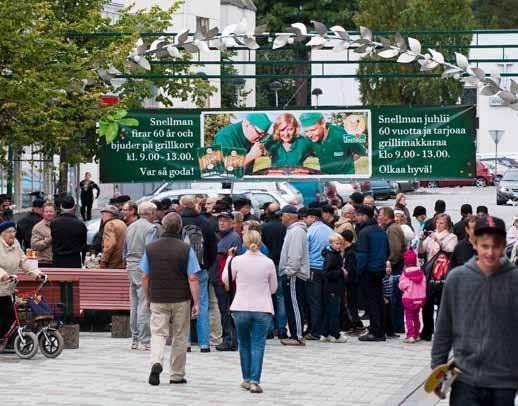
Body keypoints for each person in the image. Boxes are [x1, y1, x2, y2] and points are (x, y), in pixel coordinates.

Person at [431, 216, 518, 405]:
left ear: (505, 246)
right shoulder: (458, 279)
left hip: (504, 381)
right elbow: (444, 328)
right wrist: (438, 369)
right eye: (485, 246)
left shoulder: (514, 280)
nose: (490, 252)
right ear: (474, 243)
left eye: (496, 246)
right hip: (465, 380)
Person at [140, 213, 200, 386]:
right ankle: (176, 374)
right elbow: (193, 277)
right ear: (180, 228)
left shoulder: (151, 248)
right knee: (180, 336)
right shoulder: (186, 249)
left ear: (163, 227)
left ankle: (156, 361)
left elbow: (144, 275)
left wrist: (148, 296)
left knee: (158, 333)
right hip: (181, 298)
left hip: (158, 297)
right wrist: (196, 302)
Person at [222, 230, 277, 394]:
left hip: (240, 306)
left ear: (244, 243)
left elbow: (226, 279)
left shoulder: (237, 260)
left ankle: (246, 378)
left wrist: (229, 259)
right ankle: (255, 381)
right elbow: (273, 288)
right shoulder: (268, 262)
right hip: (262, 307)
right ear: (260, 242)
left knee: (244, 344)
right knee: (258, 344)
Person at [178, 195, 217, 353]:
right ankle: (204, 343)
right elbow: (213, 248)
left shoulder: (178, 222)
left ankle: (185, 342)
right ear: (195, 205)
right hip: (201, 268)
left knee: (184, 305)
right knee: (202, 304)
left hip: (181, 270)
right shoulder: (205, 223)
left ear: (181, 205)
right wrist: (208, 264)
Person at [123, 201, 160, 351]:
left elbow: (124, 250)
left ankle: (135, 339)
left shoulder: (130, 226)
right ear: (151, 213)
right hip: (142, 266)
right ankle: (145, 339)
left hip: (130, 265)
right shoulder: (151, 228)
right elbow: (150, 251)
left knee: (134, 303)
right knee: (144, 302)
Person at [0, 221, 46, 339]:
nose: (12, 234)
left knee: (10, 316)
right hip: (2, 283)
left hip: (8, 288)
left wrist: (37, 273)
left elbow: (23, 261)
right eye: (8, 232)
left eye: (13, 231)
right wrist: (3, 274)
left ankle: (8, 341)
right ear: (1, 234)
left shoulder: (15, 244)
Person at [418, 213, 458, 341]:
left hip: (443, 273)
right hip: (430, 273)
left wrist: (437, 239)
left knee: (442, 305)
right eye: (437, 223)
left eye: (441, 223)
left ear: (447, 224)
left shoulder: (452, 237)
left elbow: (449, 249)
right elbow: (422, 251)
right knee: (427, 304)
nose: (438, 225)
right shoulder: (431, 235)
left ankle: (441, 332)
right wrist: (421, 240)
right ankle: (427, 331)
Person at [355, 205, 389, 342]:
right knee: (379, 299)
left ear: (364, 216)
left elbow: (362, 255)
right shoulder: (380, 230)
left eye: (358, 215)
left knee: (372, 302)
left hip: (368, 270)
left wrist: (358, 271)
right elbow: (387, 250)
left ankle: (375, 332)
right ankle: (380, 329)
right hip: (379, 269)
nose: (356, 217)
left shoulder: (364, 232)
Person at [278, 205, 310, 346]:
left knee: (295, 305)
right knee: (291, 305)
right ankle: (294, 334)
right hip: (293, 273)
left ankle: (297, 335)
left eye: (283, 215)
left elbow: (295, 255)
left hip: (295, 275)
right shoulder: (292, 230)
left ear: (290, 216)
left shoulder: (297, 231)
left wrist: (289, 271)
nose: (281, 218)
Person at [212, 211, 242, 352]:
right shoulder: (218, 236)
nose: (222, 223)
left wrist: (229, 281)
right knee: (224, 310)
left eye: (225, 220)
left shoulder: (234, 238)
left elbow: (235, 261)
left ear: (232, 222)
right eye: (220, 220)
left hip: (226, 281)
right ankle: (228, 338)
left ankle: (230, 340)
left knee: (227, 310)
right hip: (218, 278)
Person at [299, 112, 366, 175]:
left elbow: (361, 151)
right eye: (306, 131)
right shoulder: (309, 139)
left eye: (313, 130)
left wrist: (348, 160)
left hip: (346, 179)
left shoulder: (340, 134)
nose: (310, 135)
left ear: (323, 123)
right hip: (326, 179)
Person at [305, 207, 333, 340]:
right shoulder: (329, 230)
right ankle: (324, 328)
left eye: (307, 217)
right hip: (327, 269)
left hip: (313, 269)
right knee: (325, 300)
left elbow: (305, 251)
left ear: (313, 218)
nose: (306, 220)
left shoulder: (310, 231)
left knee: (314, 301)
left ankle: (315, 331)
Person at [261, 203, 288, 340]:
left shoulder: (264, 228)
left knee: (268, 296)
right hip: (282, 264)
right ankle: (282, 328)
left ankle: (269, 328)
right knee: (281, 296)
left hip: (267, 263)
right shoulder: (285, 227)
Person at [378, 206, 406, 335]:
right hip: (394, 267)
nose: (378, 217)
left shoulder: (393, 229)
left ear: (386, 216)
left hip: (394, 269)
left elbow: (395, 250)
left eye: (380, 215)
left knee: (394, 300)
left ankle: (396, 326)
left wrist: (389, 263)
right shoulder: (390, 227)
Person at [321, 233, 348, 343]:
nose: (339, 246)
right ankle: (335, 334)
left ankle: (325, 333)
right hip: (333, 288)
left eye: (340, 244)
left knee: (329, 311)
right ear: (331, 243)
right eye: (337, 244)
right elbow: (326, 273)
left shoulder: (334, 254)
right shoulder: (332, 256)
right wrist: (341, 272)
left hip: (333, 287)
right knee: (334, 312)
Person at [50, 196, 87, 268]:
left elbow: (53, 239)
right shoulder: (80, 224)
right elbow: (83, 244)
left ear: (61, 207)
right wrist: (83, 259)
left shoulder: (54, 223)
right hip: (74, 259)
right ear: (74, 207)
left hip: (58, 259)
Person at [398, 249, 426, 344]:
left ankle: (410, 335)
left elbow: (402, 285)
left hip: (409, 298)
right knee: (416, 316)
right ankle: (417, 334)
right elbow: (424, 284)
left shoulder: (405, 274)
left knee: (409, 317)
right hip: (419, 299)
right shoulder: (421, 273)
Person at [342, 229, 364, 334]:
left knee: (351, 305)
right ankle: (355, 325)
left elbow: (350, 270)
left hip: (351, 283)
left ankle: (357, 325)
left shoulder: (350, 253)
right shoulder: (351, 251)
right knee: (352, 305)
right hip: (354, 283)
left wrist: (346, 281)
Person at [30, 202, 56, 267]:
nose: (49, 213)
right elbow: (34, 246)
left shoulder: (60, 225)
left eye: (51, 211)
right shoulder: (37, 227)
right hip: (43, 261)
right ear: (43, 213)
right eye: (46, 211)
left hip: (57, 260)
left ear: (55, 212)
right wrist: (48, 240)